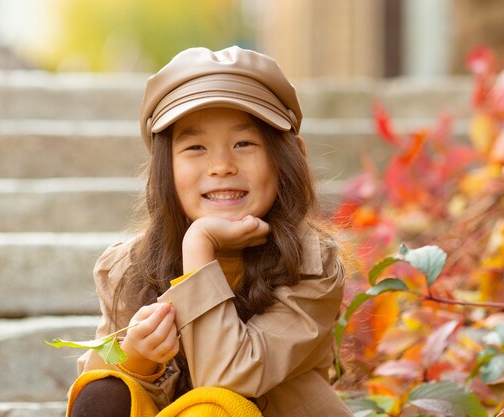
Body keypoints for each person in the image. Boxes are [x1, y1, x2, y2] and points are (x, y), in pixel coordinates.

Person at [66, 46, 353, 417]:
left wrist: (199, 244)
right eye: (195, 147)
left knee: (212, 410)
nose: (221, 165)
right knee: (104, 391)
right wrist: (137, 360)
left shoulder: (311, 265)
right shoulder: (128, 267)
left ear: (291, 156)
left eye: (244, 143)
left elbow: (225, 383)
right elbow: (99, 399)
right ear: (163, 169)